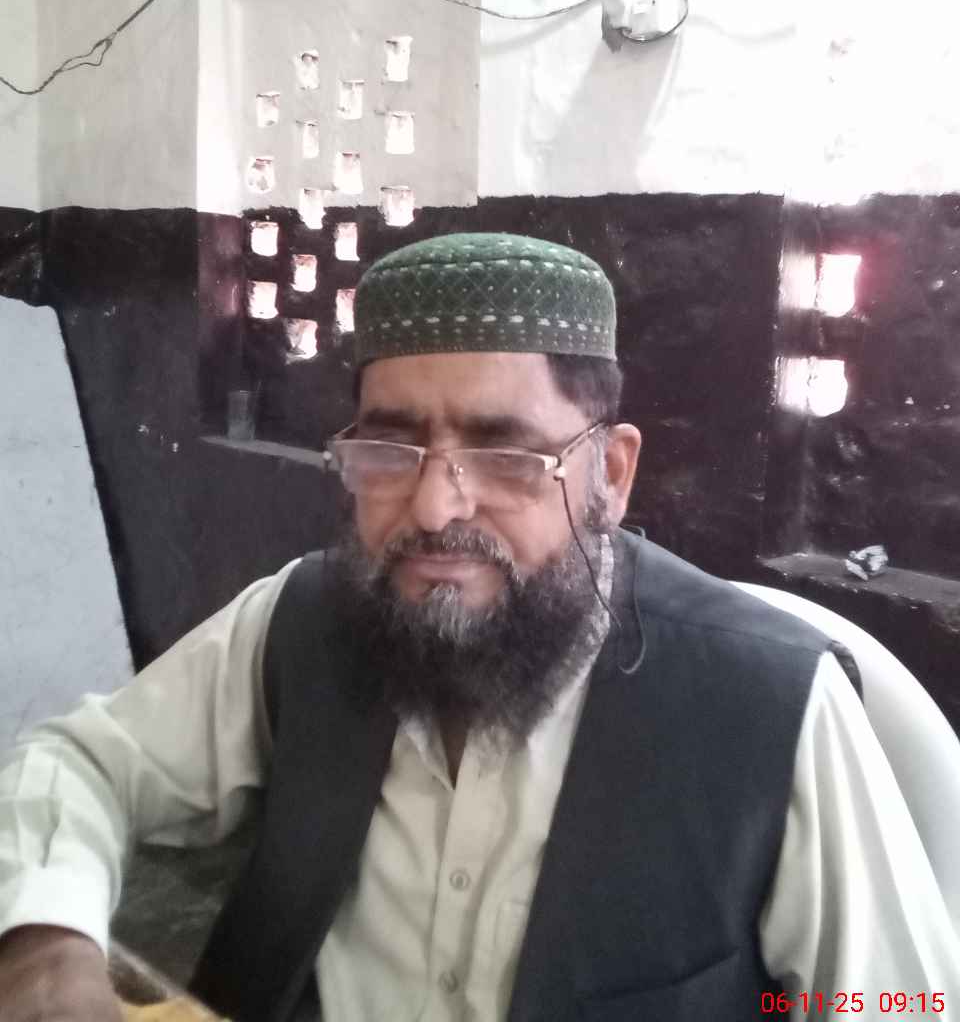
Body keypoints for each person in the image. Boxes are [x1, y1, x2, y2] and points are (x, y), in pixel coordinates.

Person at [0, 232, 957, 1022]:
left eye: (506, 456)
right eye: (390, 447)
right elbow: (81, 761)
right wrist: (44, 942)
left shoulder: (774, 708)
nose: (432, 508)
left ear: (610, 474)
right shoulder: (302, 620)